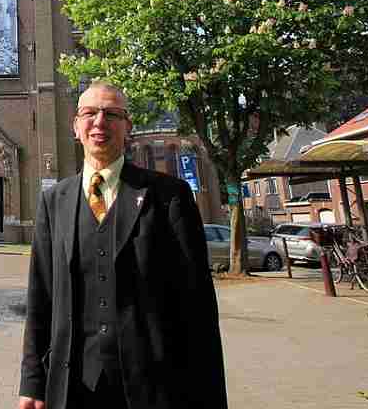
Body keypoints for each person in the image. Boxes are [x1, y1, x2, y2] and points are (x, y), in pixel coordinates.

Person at [19, 82, 227, 409]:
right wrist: (32, 382)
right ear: (75, 126)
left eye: (111, 114)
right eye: (89, 113)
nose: (100, 122)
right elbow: (40, 298)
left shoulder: (169, 197)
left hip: (151, 387)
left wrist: (207, 397)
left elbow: (198, 309)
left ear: (127, 127)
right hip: (72, 388)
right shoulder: (53, 201)